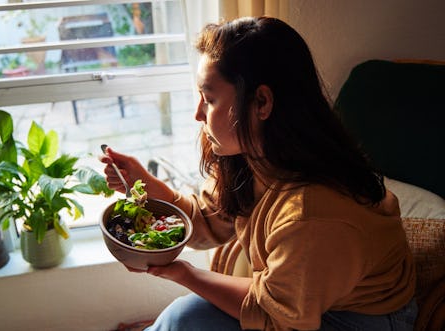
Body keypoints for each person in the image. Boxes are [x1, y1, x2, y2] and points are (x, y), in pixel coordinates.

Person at [100, 16, 417, 331]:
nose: (198, 114)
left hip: (360, 318)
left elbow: (276, 316)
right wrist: (147, 186)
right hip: (303, 298)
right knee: (186, 315)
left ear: (261, 102)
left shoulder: (314, 212)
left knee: (186, 316)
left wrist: (184, 273)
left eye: (209, 99)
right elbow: (208, 221)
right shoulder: (253, 158)